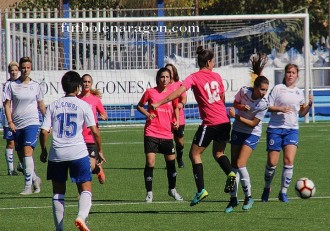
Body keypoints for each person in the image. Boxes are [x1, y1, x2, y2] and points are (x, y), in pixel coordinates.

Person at [152, 46, 236, 206]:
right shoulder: (217, 76)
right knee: (219, 153)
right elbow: (222, 97)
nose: (214, 64)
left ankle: (201, 189)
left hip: (210, 123)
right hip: (225, 121)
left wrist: (160, 102)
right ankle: (230, 172)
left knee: (194, 155)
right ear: (209, 62)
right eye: (213, 61)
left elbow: (177, 92)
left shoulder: (194, 77)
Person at [39, 71, 105, 231]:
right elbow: (95, 131)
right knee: (85, 189)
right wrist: (100, 150)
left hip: (57, 153)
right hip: (78, 152)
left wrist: (43, 150)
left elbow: (43, 131)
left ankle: (59, 229)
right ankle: (81, 217)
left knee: (58, 193)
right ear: (78, 87)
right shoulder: (83, 105)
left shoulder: (53, 105)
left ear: (63, 87)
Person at [261, 63, 313, 203]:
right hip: (275, 129)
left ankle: (283, 192)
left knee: (289, 160)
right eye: (288, 72)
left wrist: (309, 106)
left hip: (292, 130)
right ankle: (267, 188)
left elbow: (301, 113)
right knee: (272, 162)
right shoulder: (278, 88)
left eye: (293, 73)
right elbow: (267, 106)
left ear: (297, 75)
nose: (290, 75)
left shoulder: (299, 92)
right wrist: (280, 108)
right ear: (285, 74)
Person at [224, 53, 270, 213]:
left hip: (252, 133)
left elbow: (252, 123)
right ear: (255, 87)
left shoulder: (264, 104)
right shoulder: (244, 91)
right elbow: (235, 102)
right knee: (233, 166)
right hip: (237, 129)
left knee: (241, 163)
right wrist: (240, 107)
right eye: (262, 89)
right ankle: (233, 199)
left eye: (266, 90)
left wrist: (235, 115)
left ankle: (249, 197)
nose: (264, 92)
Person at [137, 67, 183, 203]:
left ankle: (172, 189)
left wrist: (177, 121)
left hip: (167, 133)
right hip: (151, 131)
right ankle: (149, 193)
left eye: (167, 77)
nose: (164, 79)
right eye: (162, 77)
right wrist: (147, 114)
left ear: (170, 79)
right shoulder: (150, 92)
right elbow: (139, 106)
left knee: (171, 163)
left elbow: (176, 107)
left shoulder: (172, 93)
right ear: (158, 78)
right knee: (150, 162)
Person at [4, 57, 46, 194]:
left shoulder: (36, 85)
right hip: (17, 124)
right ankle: (35, 179)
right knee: (22, 157)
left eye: (28, 67)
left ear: (31, 68)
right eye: (23, 67)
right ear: (20, 69)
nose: (25, 70)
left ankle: (28, 186)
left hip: (32, 123)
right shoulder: (11, 85)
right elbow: (7, 105)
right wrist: (10, 122)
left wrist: (47, 119)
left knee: (28, 151)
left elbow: (40, 104)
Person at [78, 74, 108, 184]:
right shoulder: (77, 99)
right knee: (81, 166)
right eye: (84, 81)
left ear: (91, 84)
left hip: (91, 137)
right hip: (79, 137)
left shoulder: (95, 99)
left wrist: (103, 116)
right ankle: (83, 191)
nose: (86, 84)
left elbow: (103, 113)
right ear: (81, 83)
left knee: (90, 166)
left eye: (88, 82)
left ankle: (98, 169)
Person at [165, 63, 187, 168]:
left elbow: (184, 98)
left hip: (179, 117)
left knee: (179, 141)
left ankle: (180, 158)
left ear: (174, 72)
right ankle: (170, 162)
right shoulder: (163, 85)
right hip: (166, 118)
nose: (169, 72)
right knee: (168, 141)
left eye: (171, 70)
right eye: (167, 70)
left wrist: (181, 104)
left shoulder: (179, 84)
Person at [2, 61, 20, 176]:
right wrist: (9, 120)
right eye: (11, 70)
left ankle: (21, 165)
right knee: (11, 143)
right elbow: (6, 104)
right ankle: (10, 169)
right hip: (9, 118)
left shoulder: (21, 83)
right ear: (9, 72)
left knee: (22, 144)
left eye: (15, 70)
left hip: (20, 118)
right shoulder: (7, 85)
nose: (13, 72)